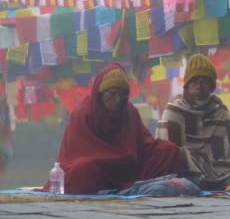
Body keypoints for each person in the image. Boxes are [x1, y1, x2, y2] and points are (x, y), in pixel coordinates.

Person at [43, 63, 184, 194]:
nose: (118, 100)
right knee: (83, 168)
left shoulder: (129, 111)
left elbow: (144, 143)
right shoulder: (83, 114)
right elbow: (75, 156)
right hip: (99, 168)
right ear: (100, 93)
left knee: (168, 150)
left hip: (127, 166)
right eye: (112, 94)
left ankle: (131, 187)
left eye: (123, 95)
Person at [156, 54, 230, 190]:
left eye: (204, 82)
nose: (199, 86)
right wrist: (190, 160)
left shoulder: (219, 109)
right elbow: (167, 152)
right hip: (190, 169)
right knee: (179, 155)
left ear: (211, 85)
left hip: (222, 167)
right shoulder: (174, 111)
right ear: (187, 84)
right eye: (195, 81)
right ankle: (206, 184)